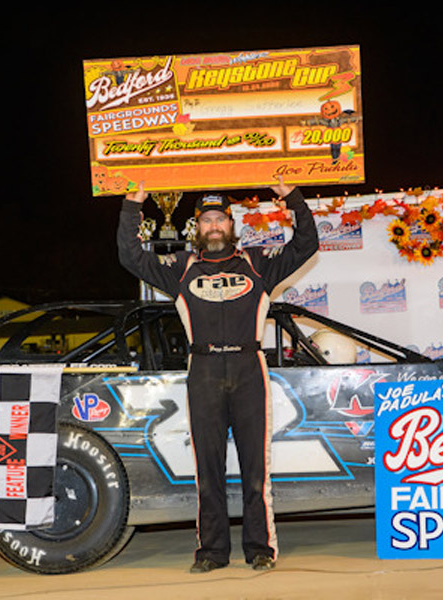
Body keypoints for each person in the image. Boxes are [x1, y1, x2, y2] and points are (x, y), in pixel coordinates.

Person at [117, 177, 318, 573]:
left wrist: (292, 198)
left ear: (232, 225)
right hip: (204, 370)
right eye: (206, 221)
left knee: (255, 468)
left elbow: (305, 245)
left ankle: (260, 548)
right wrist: (131, 206)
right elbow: (130, 256)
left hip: (249, 369)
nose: (213, 227)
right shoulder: (180, 267)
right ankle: (211, 552)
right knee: (207, 468)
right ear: (197, 228)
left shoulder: (257, 263)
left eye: (220, 220)